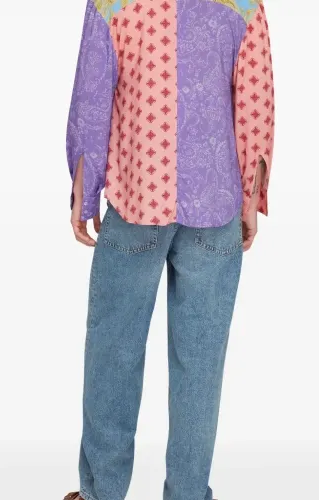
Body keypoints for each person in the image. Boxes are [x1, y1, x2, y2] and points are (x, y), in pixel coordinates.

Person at [64, 0, 275, 498]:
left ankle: (101, 493)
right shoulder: (243, 4)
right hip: (216, 203)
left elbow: (92, 96)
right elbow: (256, 103)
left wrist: (84, 190)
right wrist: (251, 198)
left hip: (138, 198)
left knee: (113, 352)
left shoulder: (112, 3)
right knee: (200, 365)